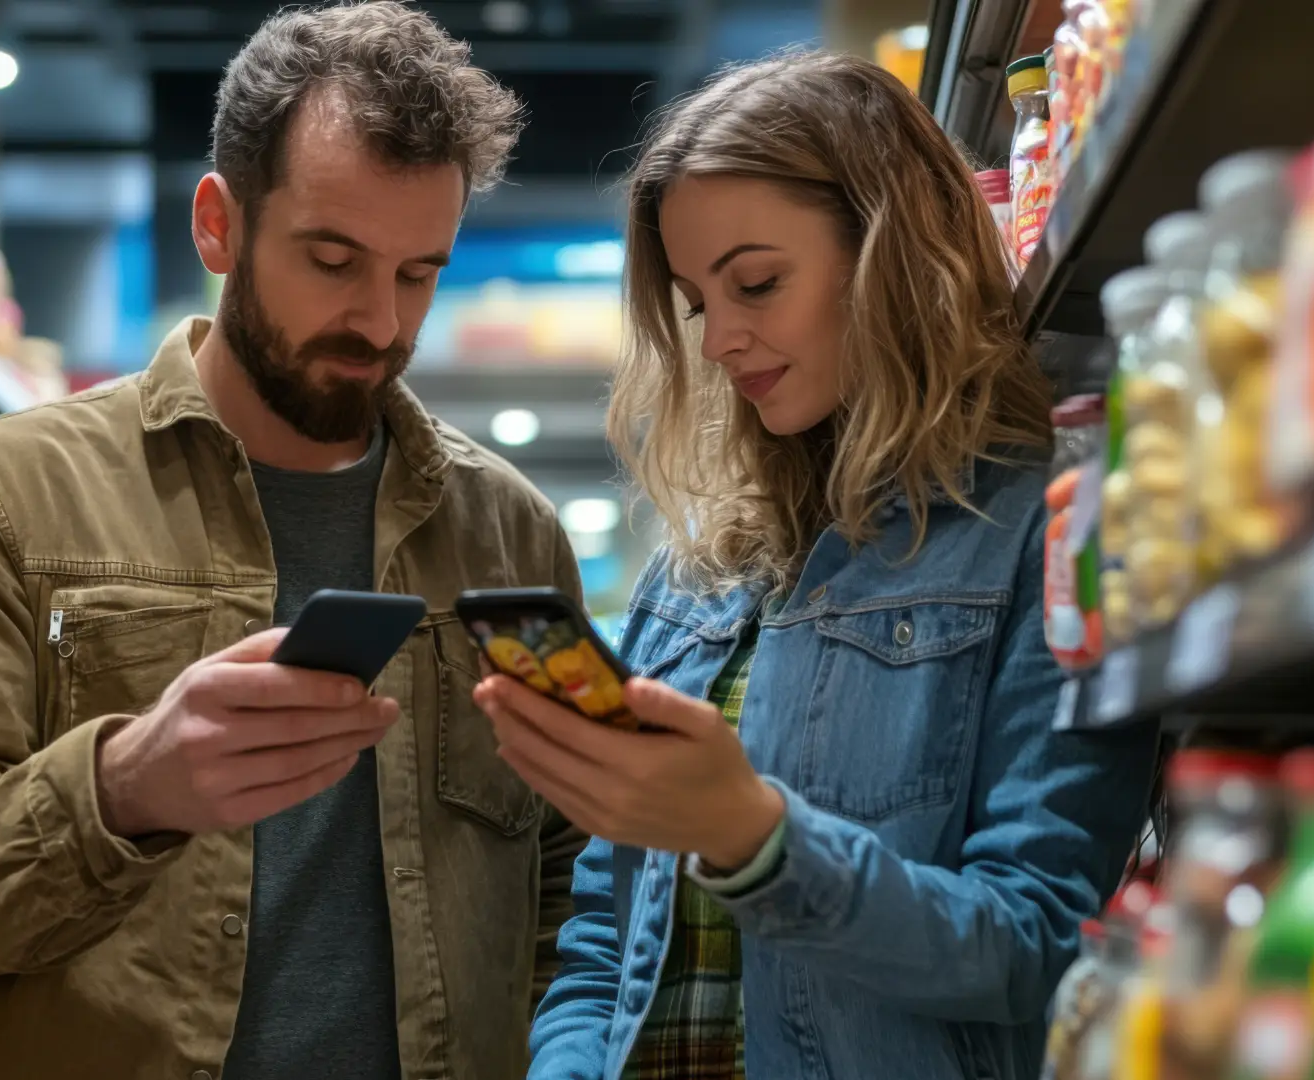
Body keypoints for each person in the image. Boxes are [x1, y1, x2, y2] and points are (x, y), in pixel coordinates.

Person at [0, 5, 586, 1078]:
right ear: (218, 224)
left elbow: (562, 887)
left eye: (419, 273)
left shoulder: (510, 534)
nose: (379, 320)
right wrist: (123, 789)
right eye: (332, 258)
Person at [476, 52, 1158, 1080]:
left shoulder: (1047, 533)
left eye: (757, 283)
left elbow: (1039, 947)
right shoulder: (695, 572)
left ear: (892, 251)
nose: (718, 343)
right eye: (699, 302)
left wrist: (757, 841)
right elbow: (602, 946)